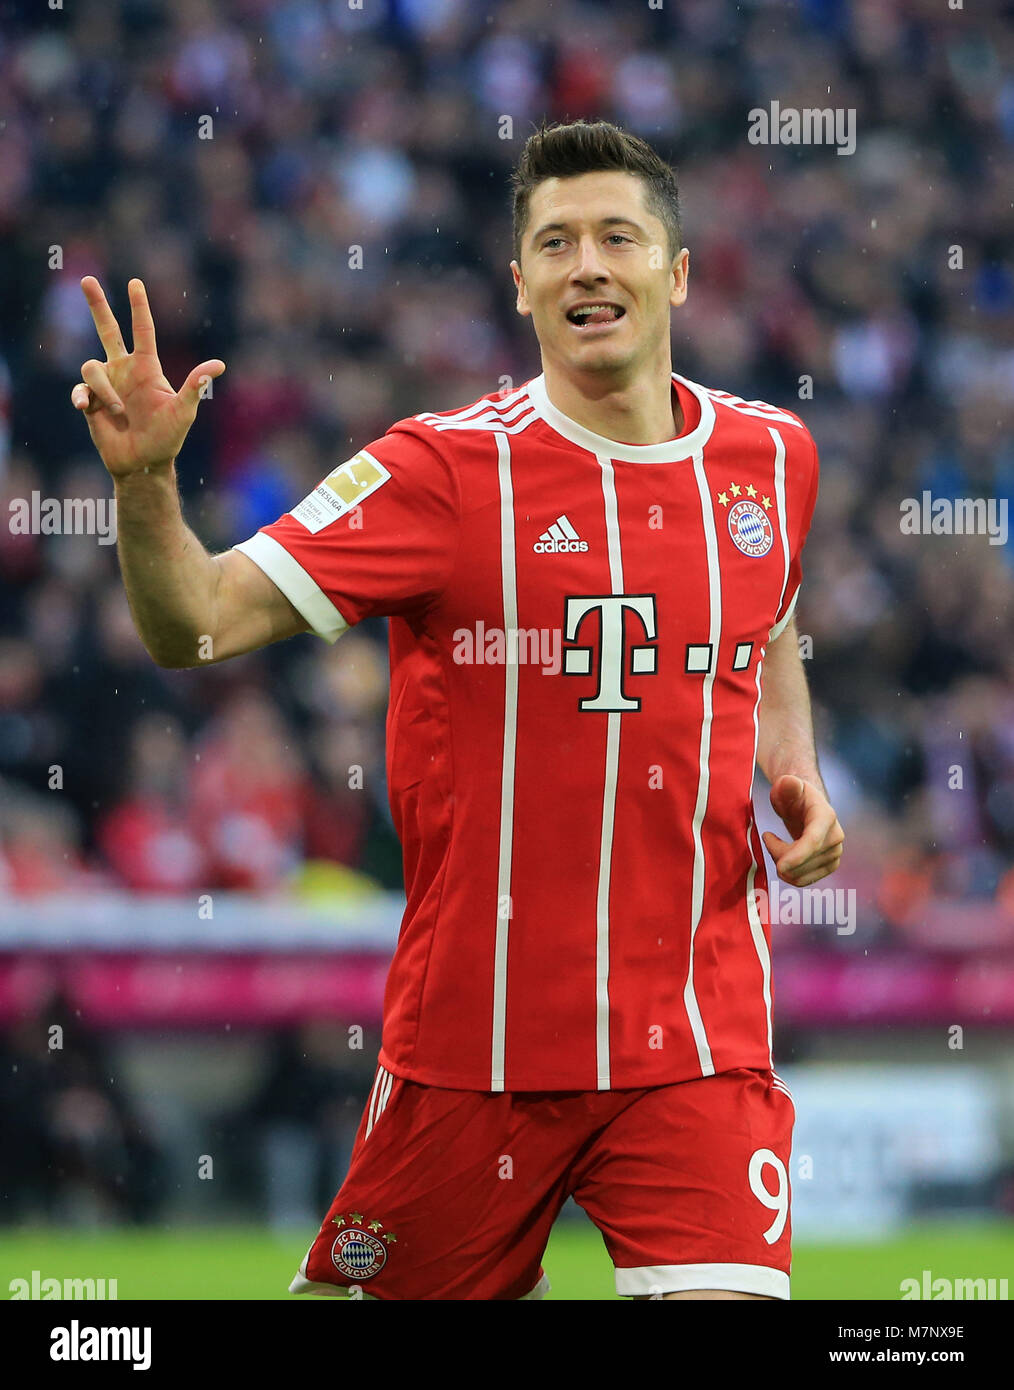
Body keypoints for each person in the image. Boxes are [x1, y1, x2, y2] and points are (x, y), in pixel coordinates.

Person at [72, 119, 844, 1301]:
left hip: (693, 1039)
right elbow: (198, 624)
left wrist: (799, 771)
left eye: (617, 236)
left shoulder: (772, 458)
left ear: (676, 271)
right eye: (555, 242)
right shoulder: (439, 474)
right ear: (521, 279)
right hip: (473, 1053)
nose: (587, 263)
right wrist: (145, 485)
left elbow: (773, 618)